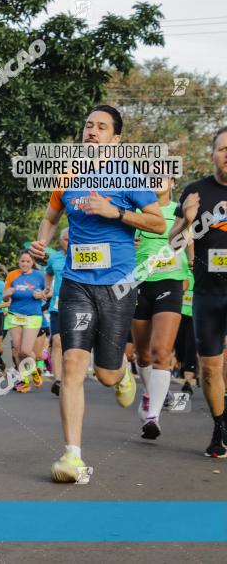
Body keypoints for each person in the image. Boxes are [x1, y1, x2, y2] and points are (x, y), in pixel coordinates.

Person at [30, 105, 165, 482]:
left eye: (101, 127)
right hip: (76, 283)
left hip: (117, 285)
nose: (92, 131)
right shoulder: (67, 175)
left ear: (116, 139)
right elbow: (50, 217)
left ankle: (122, 375)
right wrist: (42, 244)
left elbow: (156, 222)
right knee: (72, 364)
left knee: (105, 375)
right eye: (88, 125)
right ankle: (72, 456)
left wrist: (115, 212)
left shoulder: (129, 176)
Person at [168, 126, 227, 457]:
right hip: (208, 293)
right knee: (210, 368)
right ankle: (219, 426)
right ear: (213, 155)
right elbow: (174, 245)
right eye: (223, 148)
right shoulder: (196, 192)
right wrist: (187, 220)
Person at [131, 176, 188, 440]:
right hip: (140, 283)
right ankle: (148, 394)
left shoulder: (180, 210)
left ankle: (153, 417)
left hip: (171, 282)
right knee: (142, 355)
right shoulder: (137, 212)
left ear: (172, 181)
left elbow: (192, 244)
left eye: (162, 175)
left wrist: (192, 275)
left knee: (161, 351)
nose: (156, 180)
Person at [4, 251, 47, 393]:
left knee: (26, 350)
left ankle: (34, 372)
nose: (25, 264)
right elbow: (4, 297)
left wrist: (41, 295)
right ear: (19, 262)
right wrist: (7, 295)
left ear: (32, 262)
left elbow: (48, 293)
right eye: (22, 261)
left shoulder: (39, 276)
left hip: (33, 315)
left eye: (28, 261)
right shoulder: (12, 275)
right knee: (17, 350)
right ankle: (25, 380)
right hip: (14, 314)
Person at [45, 228, 69, 396]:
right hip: (57, 306)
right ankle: (58, 380)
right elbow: (48, 273)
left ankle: (72, 378)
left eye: (71, 238)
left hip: (79, 305)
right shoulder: (55, 257)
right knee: (57, 341)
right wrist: (48, 287)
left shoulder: (84, 254)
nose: (68, 241)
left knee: (73, 345)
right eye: (65, 239)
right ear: (60, 241)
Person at [174, 273, 197, 396]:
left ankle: (187, 383)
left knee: (191, 346)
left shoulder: (200, 270)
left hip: (194, 315)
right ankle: (182, 364)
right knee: (179, 346)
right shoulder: (183, 267)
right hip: (179, 313)